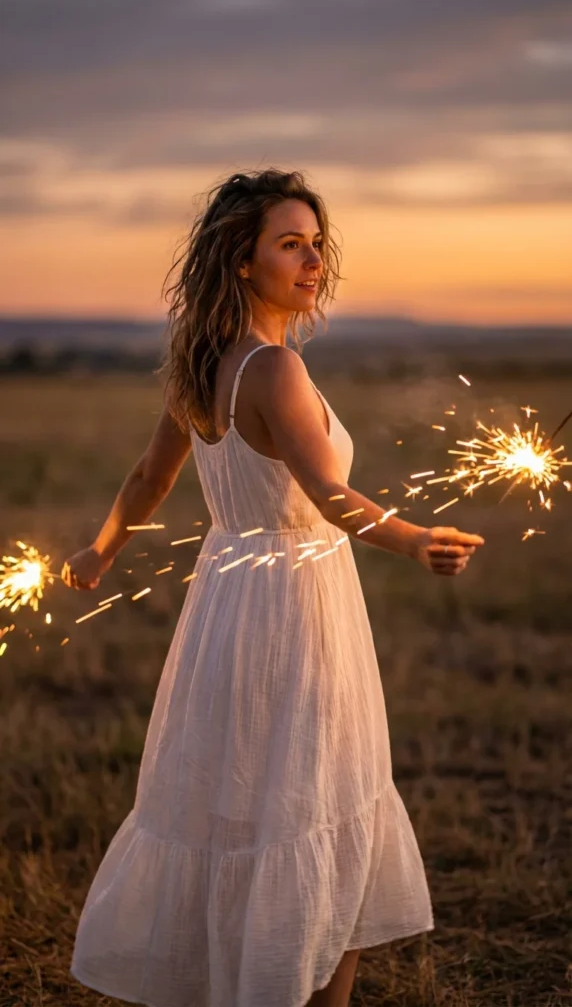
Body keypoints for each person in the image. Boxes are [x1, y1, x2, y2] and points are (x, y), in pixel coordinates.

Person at [63, 168, 485, 1007]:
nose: (312, 261)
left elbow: (150, 477)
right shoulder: (275, 373)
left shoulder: (205, 363)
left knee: (249, 807)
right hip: (296, 604)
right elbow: (329, 498)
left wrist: (100, 551)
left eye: (316, 244)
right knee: (313, 804)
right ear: (242, 261)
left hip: (229, 604)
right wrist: (413, 540)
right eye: (289, 244)